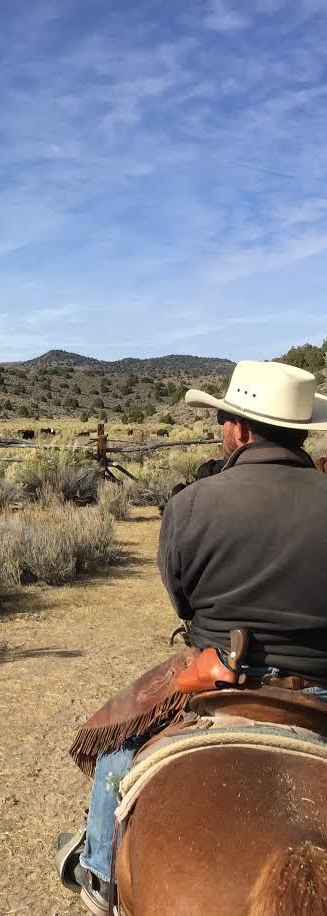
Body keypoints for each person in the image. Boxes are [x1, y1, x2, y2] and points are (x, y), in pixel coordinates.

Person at [56, 360, 327, 915]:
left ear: (241, 429)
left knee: (116, 750)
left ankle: (99, 870)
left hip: (218, 674)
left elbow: (182, 601)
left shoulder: (190, 505)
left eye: (224, 419)